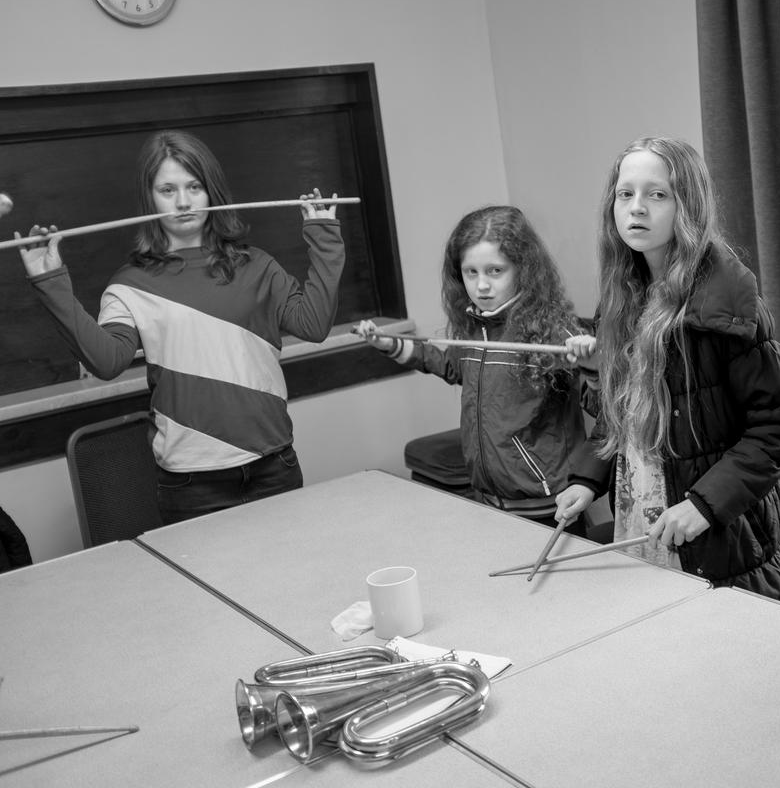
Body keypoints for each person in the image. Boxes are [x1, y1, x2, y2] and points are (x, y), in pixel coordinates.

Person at [20, 129, 345, 524]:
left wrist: (325, 237)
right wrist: (50, 282)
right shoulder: (129, 284)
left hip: (274, 466)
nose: (184, 201)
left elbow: (312, 325)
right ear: (149, 199)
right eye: (168, 190)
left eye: (194, 186)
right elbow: (107, 362)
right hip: (191, 484)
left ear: (212, 192)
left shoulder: (257, 265)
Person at [555, 137, 780, 602]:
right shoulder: (623, 296)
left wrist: (704, 505)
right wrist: (588, 479)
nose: (637, 208)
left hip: (720, 538)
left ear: (686, 205)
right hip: (644, 512)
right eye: (625, 194)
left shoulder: (726, 302)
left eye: (657, 194)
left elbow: (779, 429)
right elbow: (625, 415)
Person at [355, 205, 591, 536]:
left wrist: (589, 357)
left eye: (495, 271)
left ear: (524, 269)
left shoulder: (553, 330)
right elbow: (449, 365)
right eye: (471, 272)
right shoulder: (475, 327)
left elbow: (603, 393)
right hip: (488, 500)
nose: (482, 286)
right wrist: (388, 344)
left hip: (548, 506)